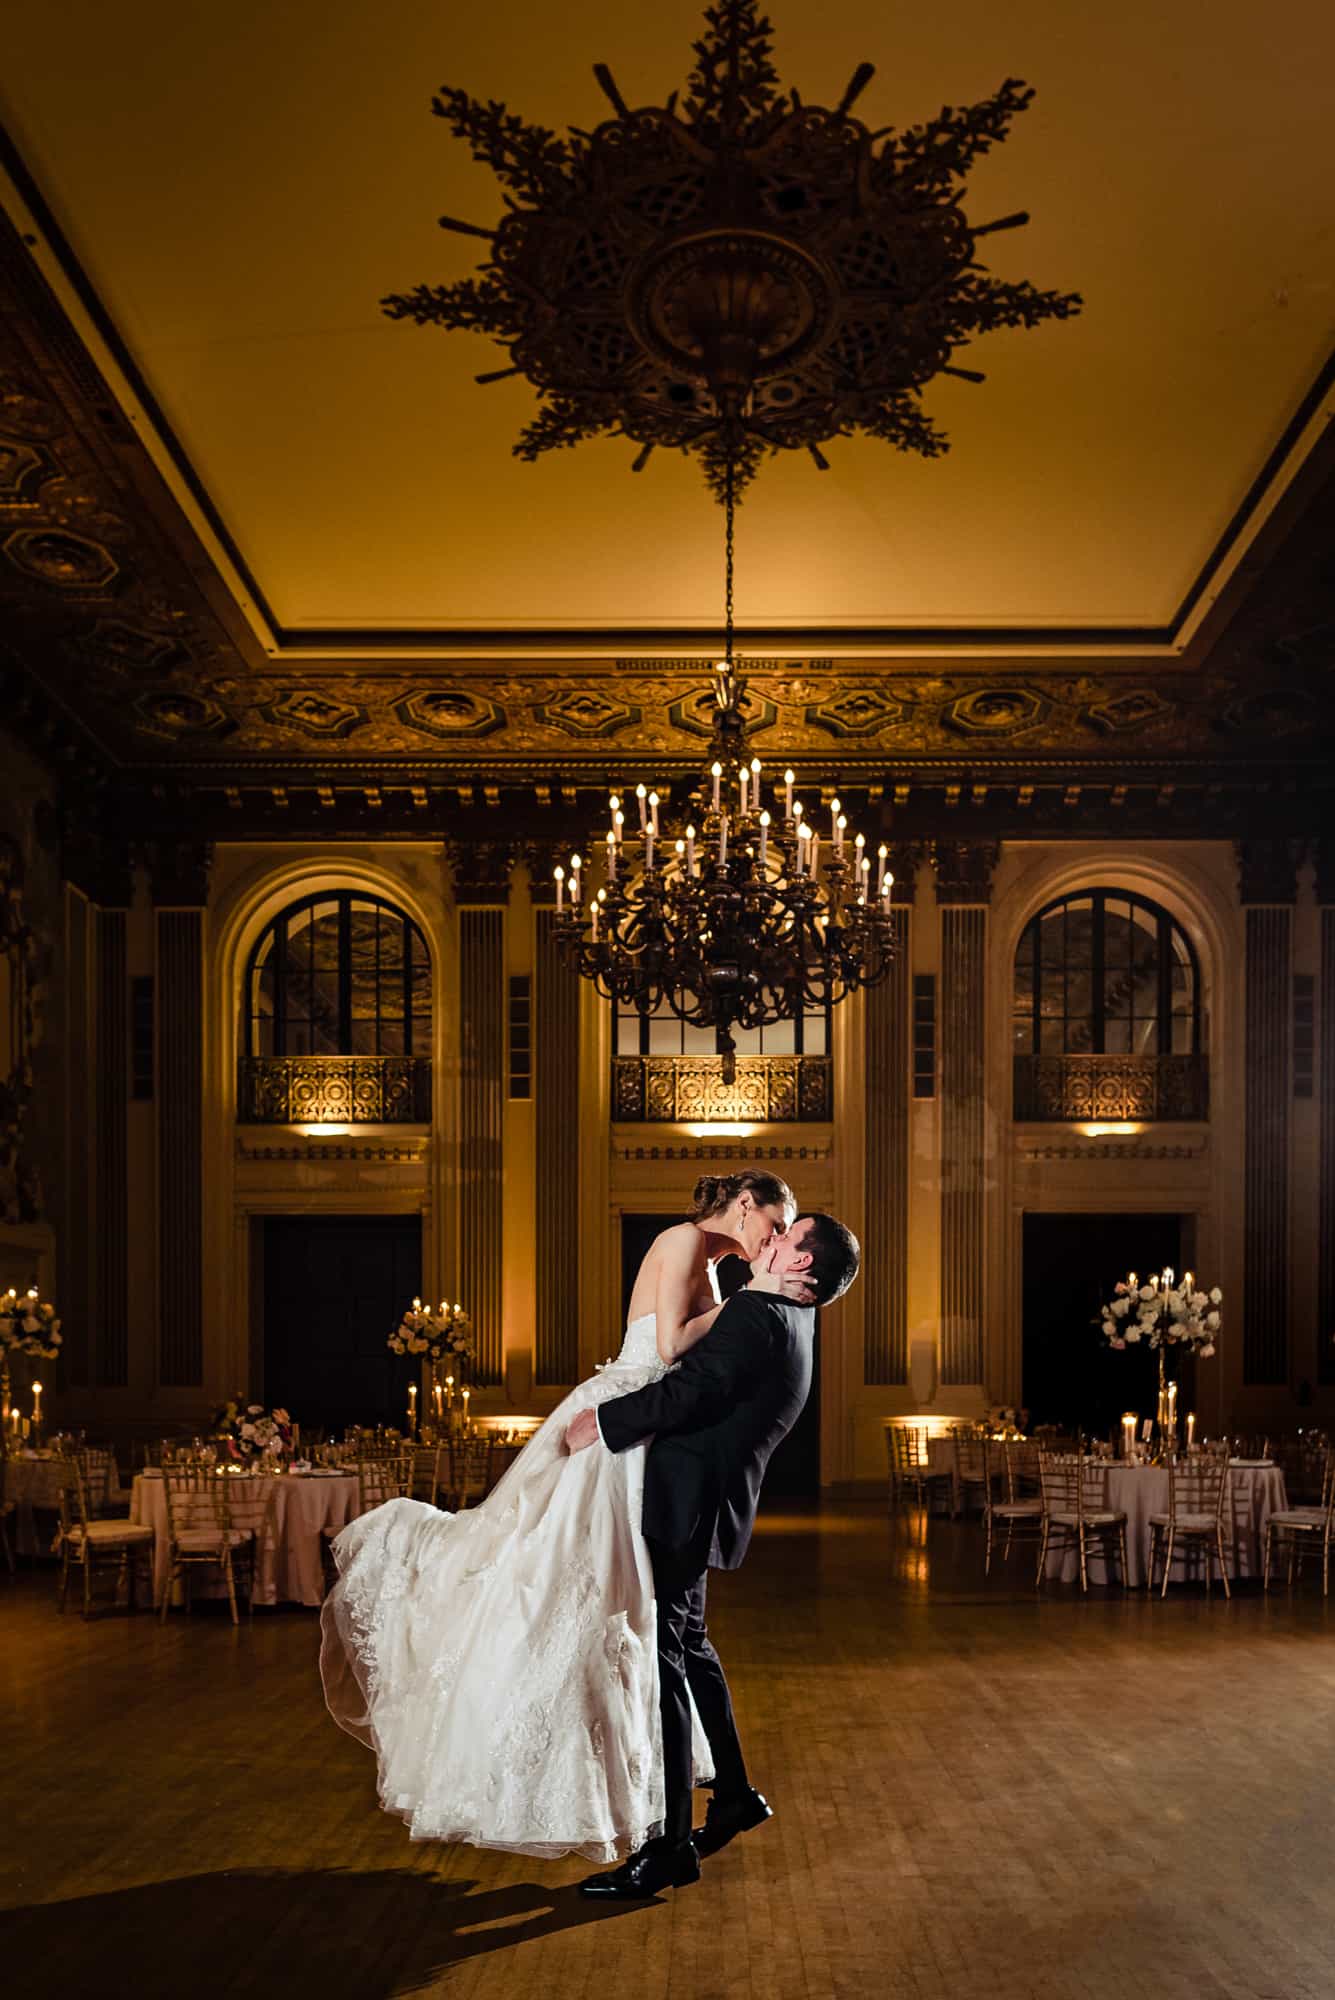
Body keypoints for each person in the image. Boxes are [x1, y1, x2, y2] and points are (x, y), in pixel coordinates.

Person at [318, 1169, 811, 1862]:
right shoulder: (680, 1241)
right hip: (619, 1420)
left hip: (641, 1434)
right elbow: (669, 1348)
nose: (777, 1237)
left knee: (635, 1613)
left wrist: (749, 1296)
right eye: (776, 1221)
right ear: (744, 1205)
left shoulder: (719, 1268)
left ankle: (663, 1791)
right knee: (559, 1581)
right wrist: (753, 1296)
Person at [567, 1207, 861, 1899]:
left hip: (686, 1503)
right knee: (689, 1645)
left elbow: (691, 1392)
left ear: (798, 1265)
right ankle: (732, 1795)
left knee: (667, 1661)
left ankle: (668, 1847)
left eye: (785, 1237)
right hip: (706, 1502)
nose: (772, 1239)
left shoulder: (758, 1314)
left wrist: (601, 1423)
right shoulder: (791, 1318)